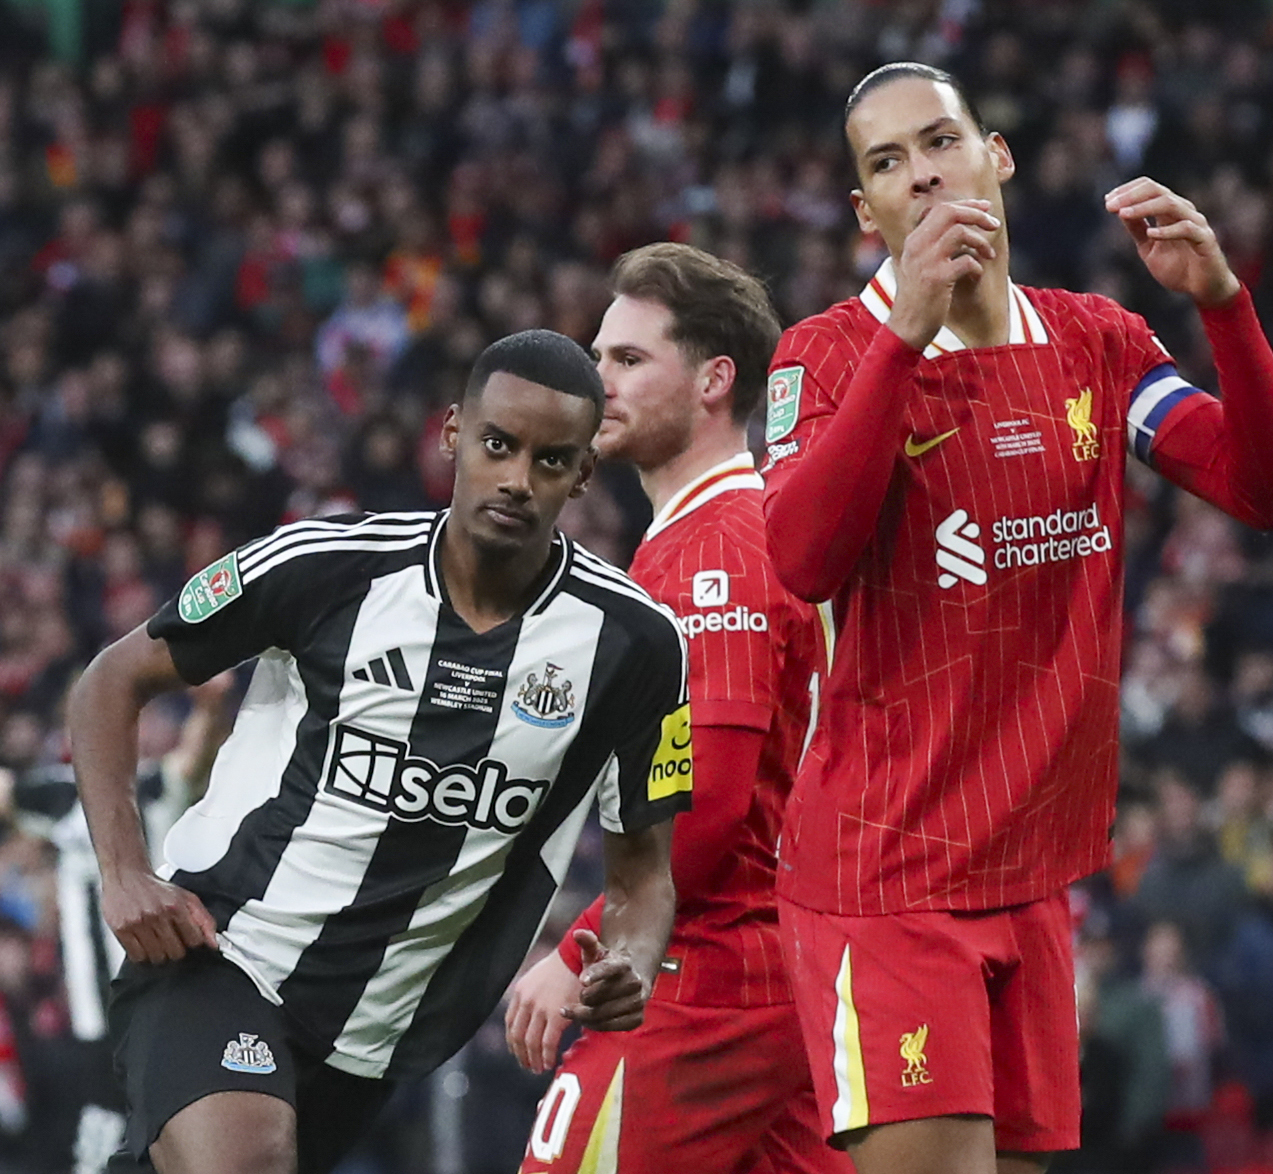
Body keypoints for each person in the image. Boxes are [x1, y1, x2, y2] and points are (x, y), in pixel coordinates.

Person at [760, 61, 1273, 1174]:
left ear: (994, 154)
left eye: (939, 141)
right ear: (862, 212)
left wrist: (1223, 305)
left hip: (1027, 873)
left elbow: (1271, 493)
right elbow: (801, 560)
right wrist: (902, 338)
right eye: (885, 164)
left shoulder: (1093, 344)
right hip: (889, 873)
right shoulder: (823, 355)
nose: (922, 176)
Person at [68, 329, 692, 1174]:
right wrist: (125, 872)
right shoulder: (328, 567)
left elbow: (643, 876)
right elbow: (111, 681)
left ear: (583, 474)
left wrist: (632, 961)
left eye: (550, 461)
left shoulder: (635, 646)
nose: (515, 478)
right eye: (497, 445)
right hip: (219, 956)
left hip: (373, 1039)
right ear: (452, 436)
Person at [504, 244, 846, 1173]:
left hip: (706, 981)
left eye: (628, 359)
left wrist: (579, 952)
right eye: (598, 355)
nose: (596, 379)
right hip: (783, 978)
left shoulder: (716, 551)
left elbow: (706, 806)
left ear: (713, 381)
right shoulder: (726, 534)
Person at [11, 674, 234, 1174]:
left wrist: (209, 706)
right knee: (93, 1151)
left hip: (162, 1003)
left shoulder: (153, 785)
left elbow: (194, 756)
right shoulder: (56, 794)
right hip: (91, 1020)